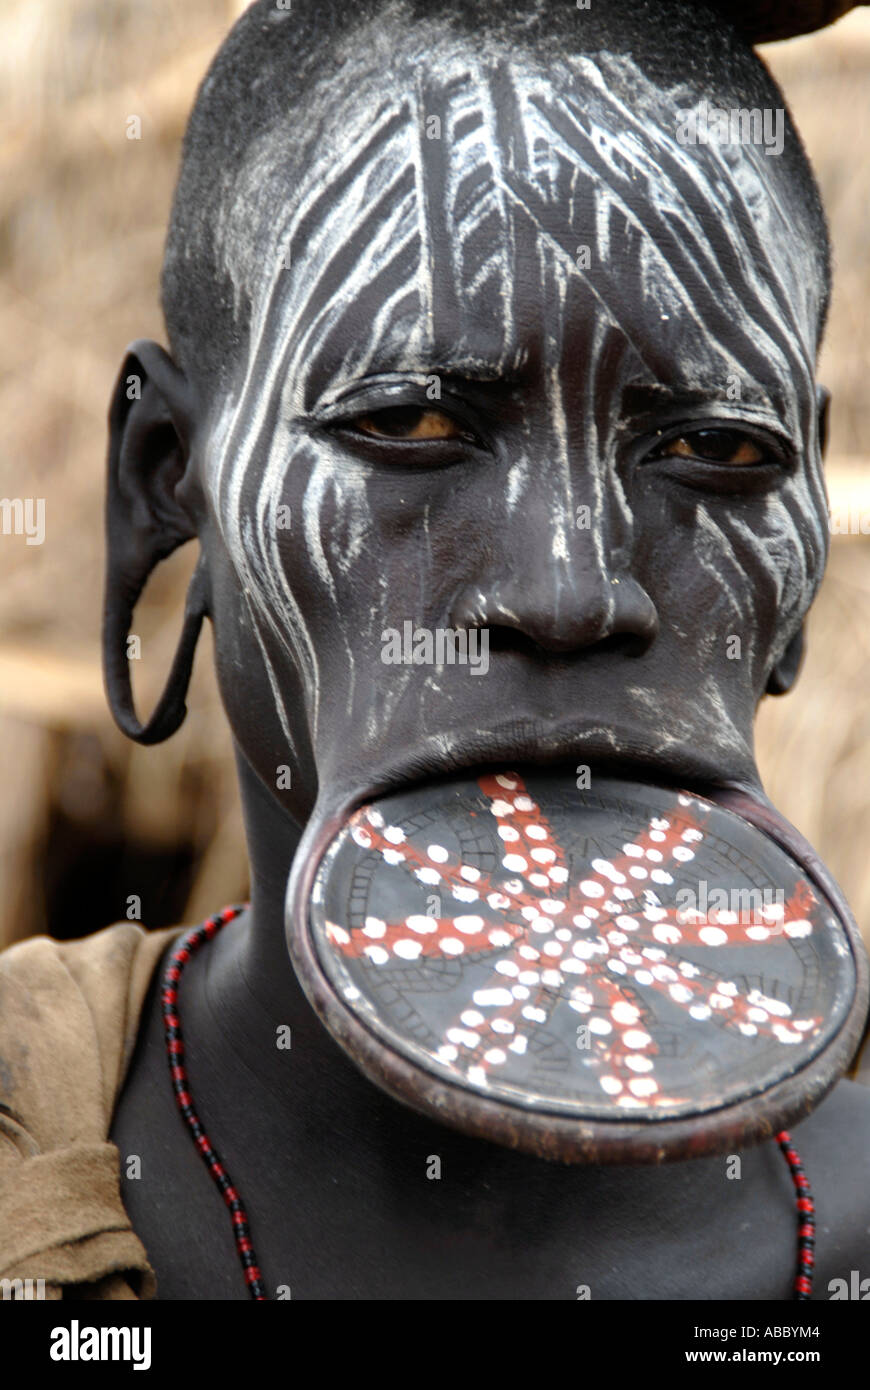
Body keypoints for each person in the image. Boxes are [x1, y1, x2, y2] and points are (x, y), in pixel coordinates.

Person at [1, 0, 868, 1300]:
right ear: (164, 485)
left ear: (802, 542)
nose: (572, 590)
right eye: (412, 422)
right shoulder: (35, 1143)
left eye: (715, 450)